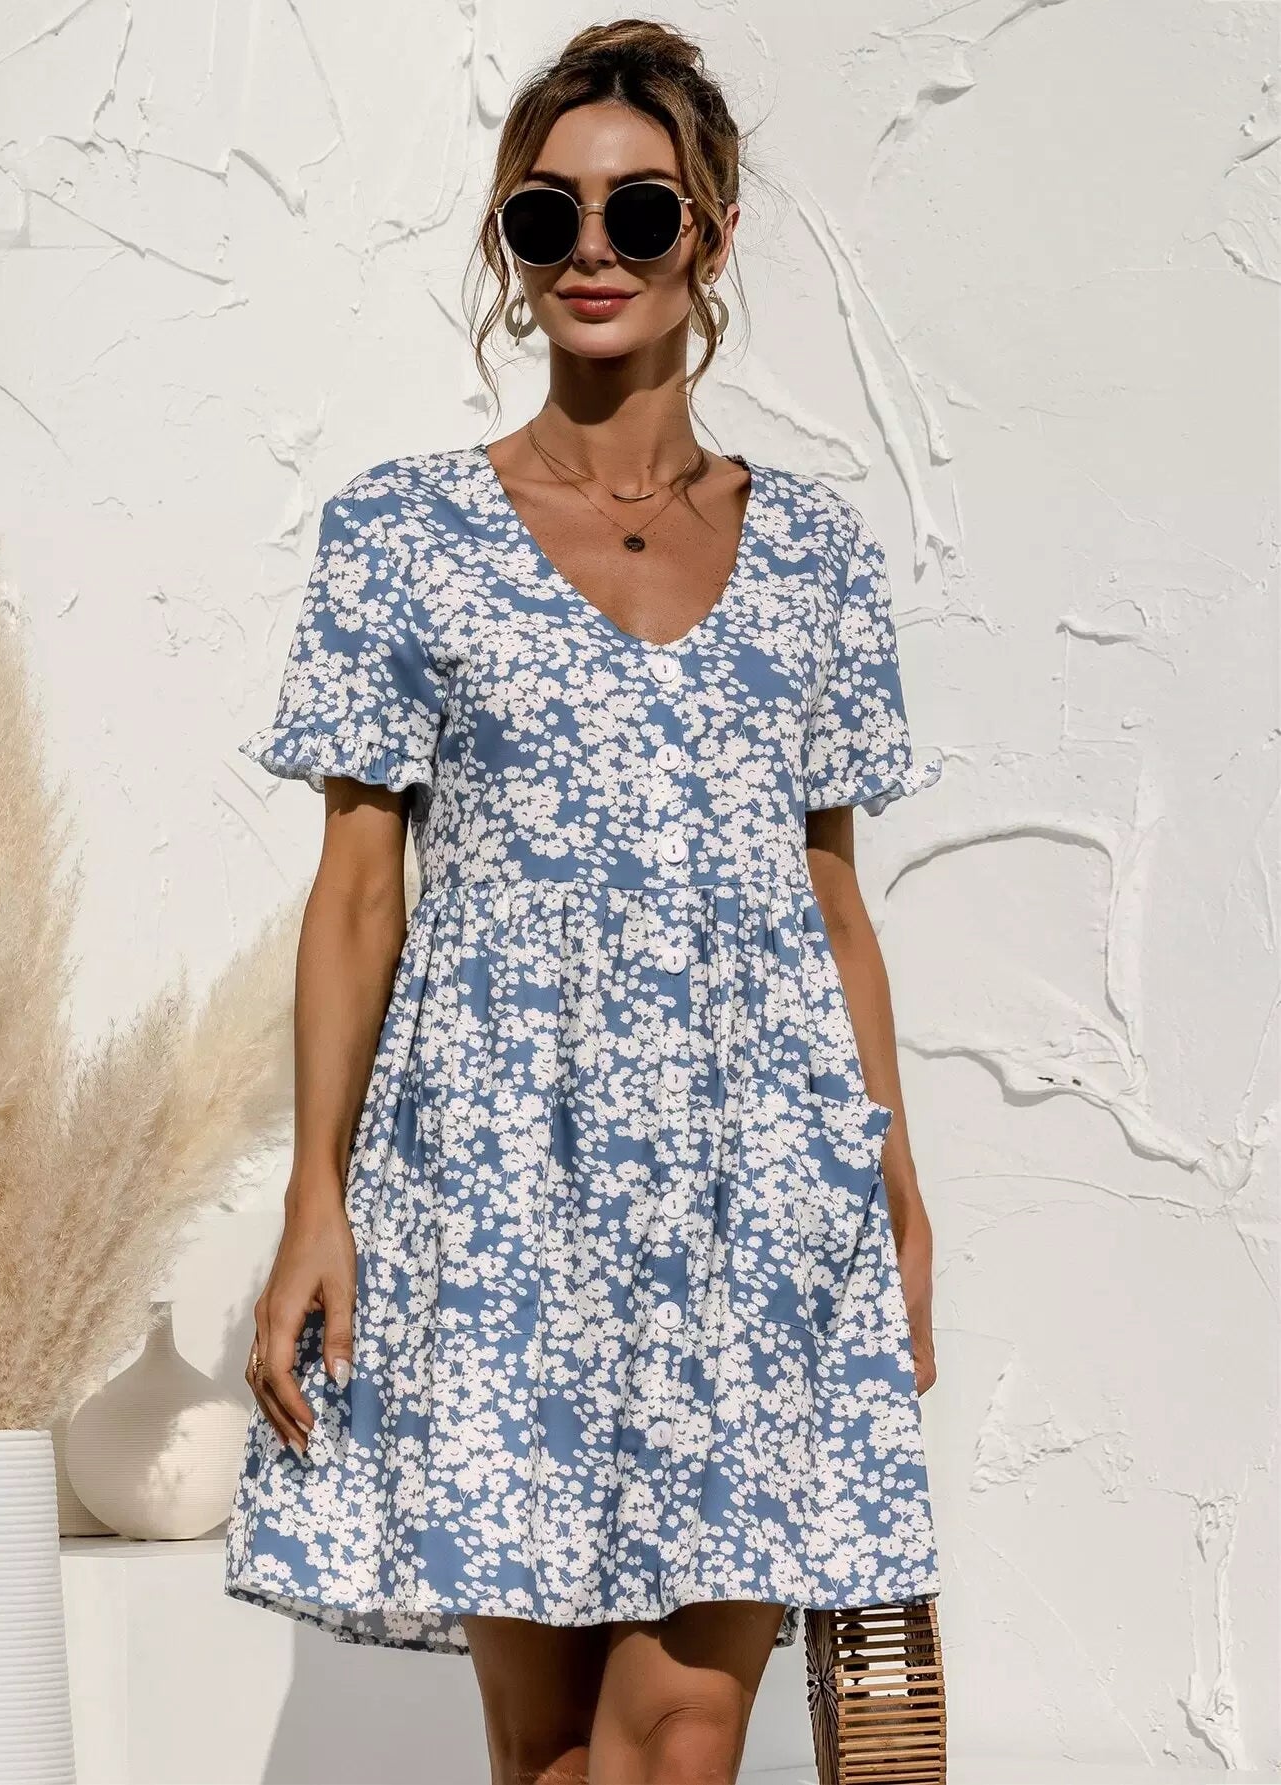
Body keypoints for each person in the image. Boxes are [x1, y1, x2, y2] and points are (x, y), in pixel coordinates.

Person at [224, 18, 943, 1785]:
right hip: (496, 1185)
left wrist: (894, 1185)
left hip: (754, 1183)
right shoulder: (399, 535)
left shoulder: (819, 554)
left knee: (687, 1725)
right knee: (550, 1746)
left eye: (642, 209)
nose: (593, 248)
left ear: (713, 234)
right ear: (508, 245)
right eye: (546, 216)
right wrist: (316, 1198)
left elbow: (833, 903)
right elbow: (356, 896)